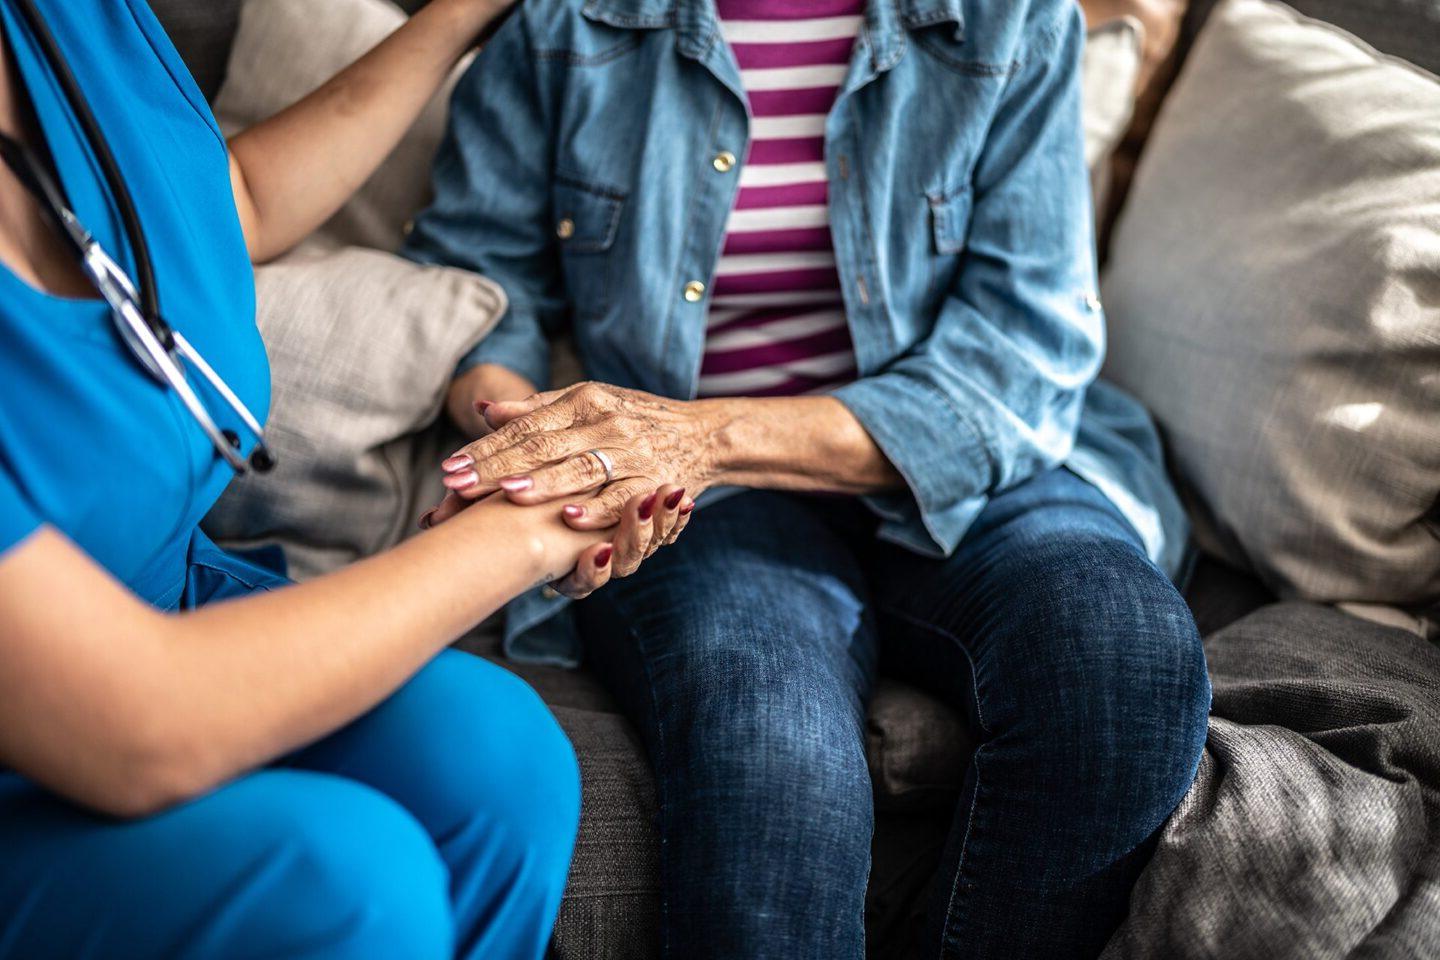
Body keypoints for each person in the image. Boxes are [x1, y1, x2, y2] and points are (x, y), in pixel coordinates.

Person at [405, 0, 1213, 957]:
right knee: (766, 740)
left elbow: (1021, 352)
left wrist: (693, 436)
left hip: (966, 460)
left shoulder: (1010, 20)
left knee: (1119, 651)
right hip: (706, 506)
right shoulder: (565, 22)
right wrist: (532, 441)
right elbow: (478, 278)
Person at [0, 0, 692, 957]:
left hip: (170, 591)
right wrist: (533, 518)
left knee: (500, 754)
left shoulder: (68, 22)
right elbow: (135, 722)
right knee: (347, 884)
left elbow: (220, 197)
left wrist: (458, 14)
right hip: (77, 698)